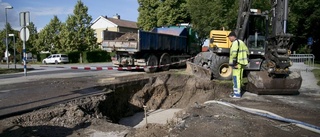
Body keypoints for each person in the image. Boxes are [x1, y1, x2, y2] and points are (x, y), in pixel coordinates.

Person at [227, 31, 249, 98]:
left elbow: (234, 54)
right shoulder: (241, 42)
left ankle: (237, 94)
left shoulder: (235, 43)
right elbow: (247, 52)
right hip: (242, 63)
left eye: (229, 38)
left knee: (236, 78)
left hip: (237, 63)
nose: (229, 39)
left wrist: (234, 63)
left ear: (232, 37)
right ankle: (238, 91)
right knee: (239, 78)